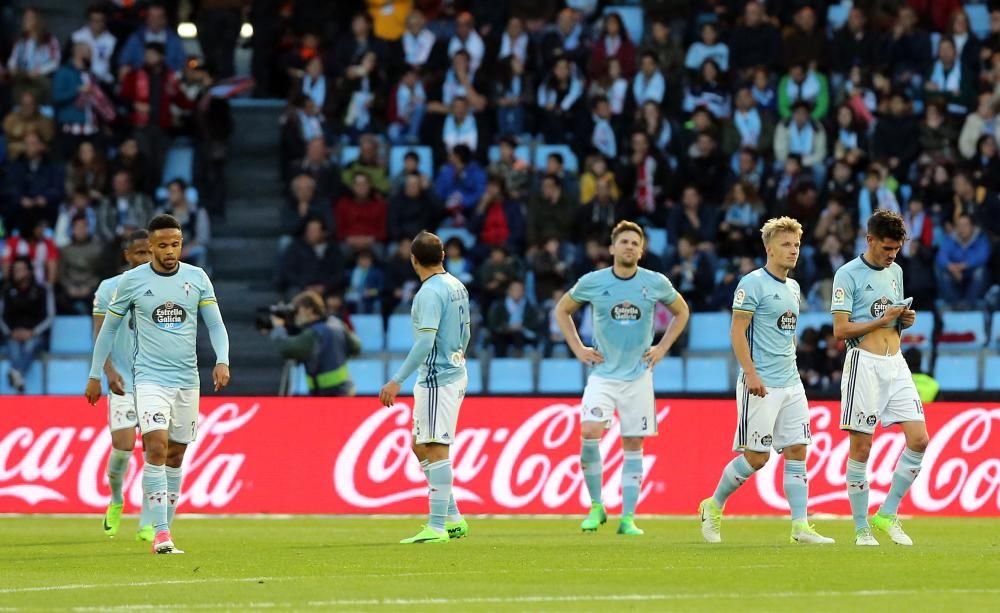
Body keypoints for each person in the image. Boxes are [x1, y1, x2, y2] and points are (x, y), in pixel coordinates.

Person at [85, 214, 231, 554]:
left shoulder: (197, 278)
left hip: (187, 380)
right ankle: (160, 533)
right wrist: (96, 374)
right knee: (155, 448)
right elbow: (107, 330)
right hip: (148, 379)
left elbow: (216, 325)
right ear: (150, 247)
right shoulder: (132, 282)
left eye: (175, 244)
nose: (169, 251)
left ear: (182, 244)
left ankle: (165, 523)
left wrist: (222, 359)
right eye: (162, 245)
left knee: (176, 456)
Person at [698, 217, 835, 545]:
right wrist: (750, 373)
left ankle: (800, 527)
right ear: (768, 248)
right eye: (786, 245)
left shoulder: (794, 287)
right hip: (760, 383)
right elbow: (737, 331)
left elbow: (785, 335)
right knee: (757, 457)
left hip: (791, 382)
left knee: (798, 450)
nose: (793, 251)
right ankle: (713, 505)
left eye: (797, 245)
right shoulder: (752, 283)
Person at [554, 221, 690, 535]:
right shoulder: (593, 281)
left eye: (634, 243)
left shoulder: (654, 282)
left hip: (638, 377)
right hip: (602, 374)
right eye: (624, 242)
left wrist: (662, 347)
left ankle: (628, 518)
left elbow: (682, 311)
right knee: (589, 432)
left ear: (641, 251)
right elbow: (562, 310)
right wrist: (578, 348)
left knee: (633, 443)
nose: (629, 246)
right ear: (612, 248)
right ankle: (597, 506)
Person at [831, 210, 928, 546]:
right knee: (862, 446)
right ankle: (861, 528)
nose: (892, 255)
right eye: (887, 248)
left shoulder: (896, 271)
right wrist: (883, 320)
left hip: (896, 363)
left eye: (897, 249)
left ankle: (887, 513)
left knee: (919, 439)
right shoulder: (847, 275)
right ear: (869, 239)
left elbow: (891, 316)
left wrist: (903, 320)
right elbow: (841, 330)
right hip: (864, 364)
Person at [379, 231, 471, 544]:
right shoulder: (456, 285)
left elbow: (425, 342)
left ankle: (436, 526)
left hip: (437, 378)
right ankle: (453, 516)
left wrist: (396, 380)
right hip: (452, 372)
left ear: (413, 259)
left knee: (436, 447)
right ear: (443, 256)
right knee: (419, 444)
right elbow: (467, 331)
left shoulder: (429, 293)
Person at [92, 230, 154, 542]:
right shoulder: (108, 288)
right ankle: (116, 499)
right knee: (123, 449)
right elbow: (99, 336)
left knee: (155, 452)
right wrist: (106, 371)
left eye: (149, 252)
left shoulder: (165, 287)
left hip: (157, 381)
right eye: (139, 253)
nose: (144, 258)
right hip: (123, 381)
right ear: (128, 255)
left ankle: (147, 519)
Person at [269, 290, 361, 396]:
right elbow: (356, 347)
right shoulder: (336, 323)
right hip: (345, 391)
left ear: (309, 310)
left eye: (297, 311)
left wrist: (279, 328)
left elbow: (286, 348)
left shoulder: (312, 334)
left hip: (325, 394)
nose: (296, 315)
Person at [0, 256, 55, 393]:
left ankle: (15, 371)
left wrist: (33, 332)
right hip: (13, 333)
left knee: (31, 343)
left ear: (30, 272)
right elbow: (1, 317)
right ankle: (18, 377)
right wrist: (10, 332)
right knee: (13, 346)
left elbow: (50, 316)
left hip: (36, 333)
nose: (18, 272)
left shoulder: (42, 290)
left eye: (21, 269)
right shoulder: (6, 291)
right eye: (16, 269)